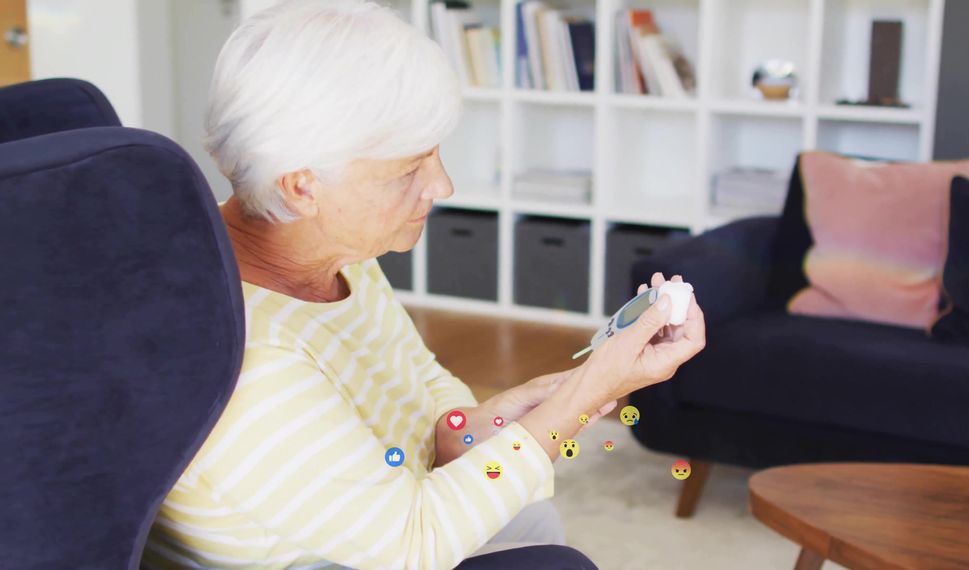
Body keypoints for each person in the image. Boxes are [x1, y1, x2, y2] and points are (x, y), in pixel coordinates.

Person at [143, 1, 705, 568]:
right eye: (408, 169)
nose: (443, 184)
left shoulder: (336, 250)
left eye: (435, 154)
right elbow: (412, 543)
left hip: (382, 522)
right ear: (301, 187)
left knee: (531, 517)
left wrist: (522, 409)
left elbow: (421, 387)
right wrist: (578, 403)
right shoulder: (247, 357)